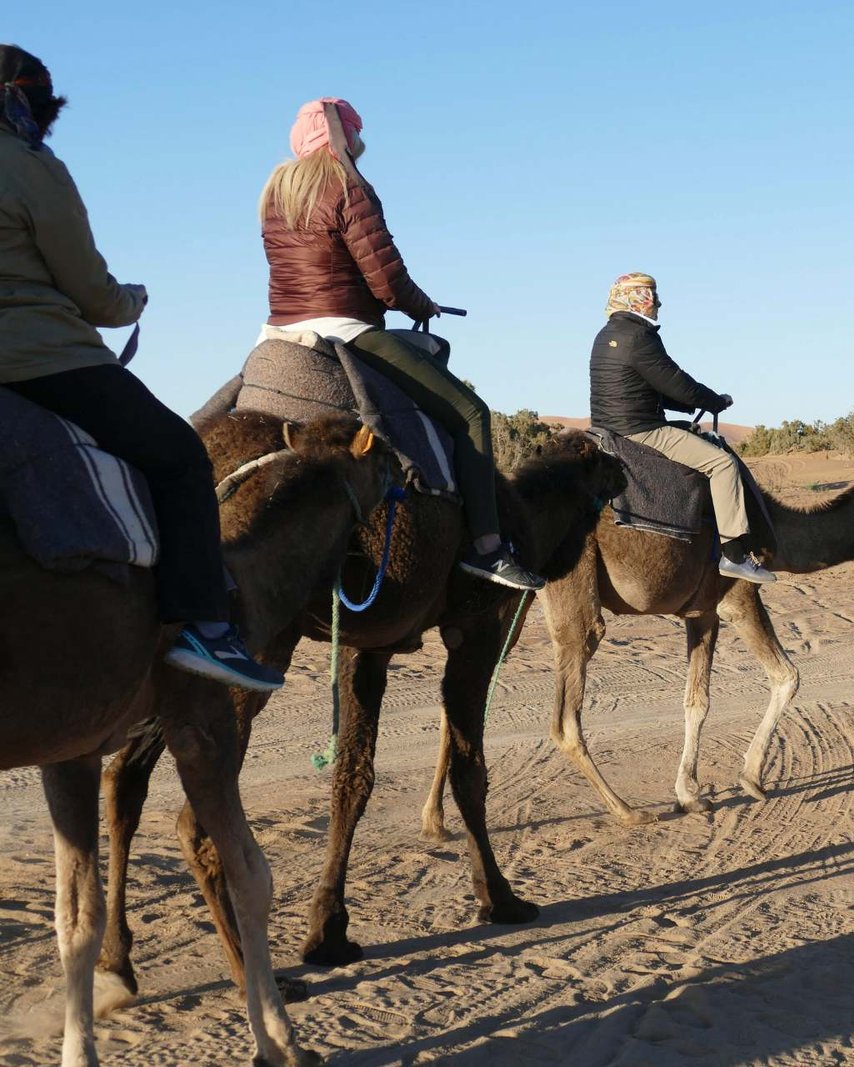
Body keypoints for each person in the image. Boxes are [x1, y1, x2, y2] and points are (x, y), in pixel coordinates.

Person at [0, 45, 282, 690]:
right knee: (180, 459)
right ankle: (206, 627)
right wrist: (134, 301)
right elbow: (93, 295)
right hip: (40, 360)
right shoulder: (31, 166)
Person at [258, 97, 540, 591]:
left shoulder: (275, 192)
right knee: (471, 414)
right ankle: (487, 548)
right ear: (346, 138)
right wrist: (420, 305)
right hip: (346, 329)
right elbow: (386, 280)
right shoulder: (348, 185)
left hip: (277, 332)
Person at [589, 273, 774, 584]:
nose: (658, 303)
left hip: (607, 427)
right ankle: (734, 555)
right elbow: (677, 382)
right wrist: (714, 401)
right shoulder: (639, 336)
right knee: (722, 464)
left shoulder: (606, 335)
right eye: (652, 297)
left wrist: (692, 404)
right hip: (640, 430)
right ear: (638, 300)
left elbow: (650, 386)